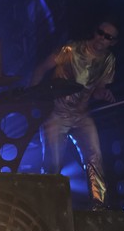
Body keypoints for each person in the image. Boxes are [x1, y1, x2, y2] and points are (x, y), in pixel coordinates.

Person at [30, 20, 119, 210]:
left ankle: (99, 206)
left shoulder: (108, 60)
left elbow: (97, 89)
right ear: (94, 32)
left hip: (81, 115)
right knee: (53, 164)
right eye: (100, 32)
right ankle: (48, 206)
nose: (101, 38)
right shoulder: (71, 49)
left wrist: (103, 93)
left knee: (95, 156)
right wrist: (34, 100)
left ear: (112, 42)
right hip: (56, 113)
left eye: (107, 37)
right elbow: (41, 69)